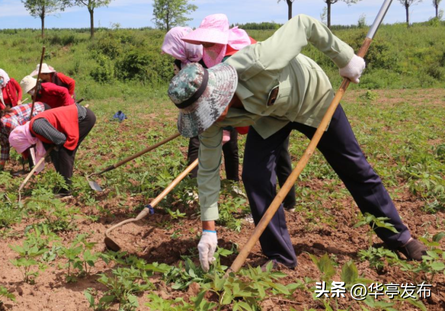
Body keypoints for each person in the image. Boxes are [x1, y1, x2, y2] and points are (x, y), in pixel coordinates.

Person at [167, 14, 427, 271]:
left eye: (207, 113)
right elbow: (209, 171)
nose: (207, 120)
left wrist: (345, 58)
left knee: (354, 167)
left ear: (219, 95)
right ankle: (280, 255)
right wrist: (208, 230)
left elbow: (304, 23)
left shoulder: (258, 60)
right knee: (255, 177)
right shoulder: (211, 121)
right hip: (271, 117)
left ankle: (401, 238)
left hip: (313, 98)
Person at [181, 14, 296, 209]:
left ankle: (280, 204)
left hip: (272, 105)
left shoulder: (239, 53)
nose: (204, 45)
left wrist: (224, 125)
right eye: (203, 42)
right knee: (270, 159)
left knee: (268, 160)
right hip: (253, 110)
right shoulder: (216, 53)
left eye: (208, 42)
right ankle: (282, 204)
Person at [161, 27, 239, 181]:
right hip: (198, 111)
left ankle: (232, 182)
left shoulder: (209, 58)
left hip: (224, 108)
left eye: (174, 50)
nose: (173, 55)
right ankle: (194, 184)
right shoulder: (181, 63)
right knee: (196, 144)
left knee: (230, 146)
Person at [9, 102, 96, 196]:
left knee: (64, 150)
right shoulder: (34, 133)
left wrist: (55, 144)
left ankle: (66, 189)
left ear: (22, 140)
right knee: (55, 153)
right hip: (77, 119)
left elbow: (61, 139)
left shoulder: (36, 126)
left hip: (83, 119)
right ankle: (62, 183)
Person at [0, 102, 48, 168]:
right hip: (34, 119)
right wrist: (2, 164)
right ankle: (34, 163)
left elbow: (24, 136)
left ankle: (37, 165)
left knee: (43, 139)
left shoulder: (7, 123)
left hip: (42, 111)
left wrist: (25, 152)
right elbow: (4, 145)